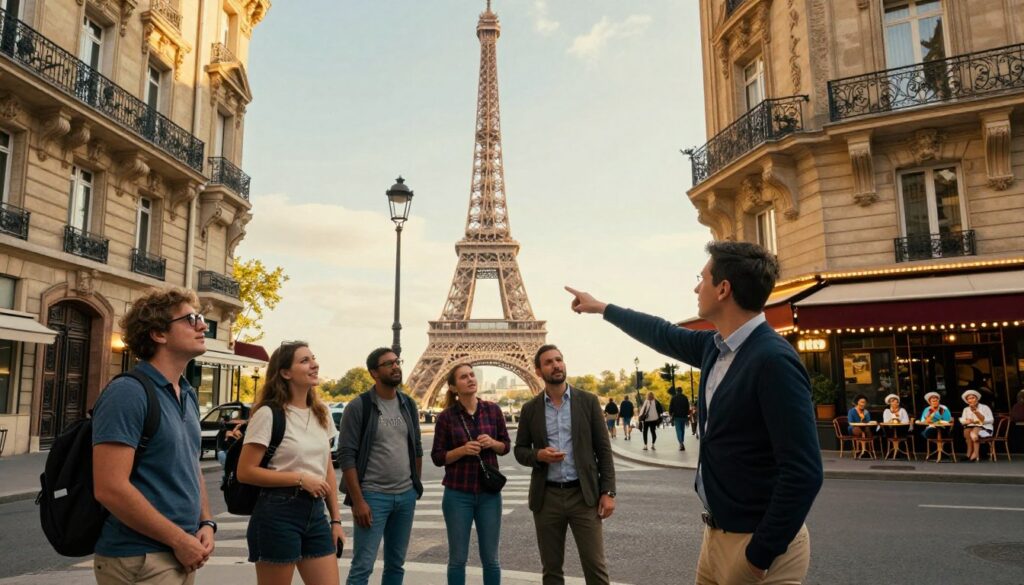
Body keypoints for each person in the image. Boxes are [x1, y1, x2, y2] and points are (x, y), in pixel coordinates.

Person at [566, 240, 824, 584]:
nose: (695, 287)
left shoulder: (773, 360)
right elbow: (661, 332)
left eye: (701, 278)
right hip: (716, 536)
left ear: (723, 289)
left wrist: (759, 555)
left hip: (756, 545)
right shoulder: (715, 349)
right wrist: (603, 308)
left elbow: (804, 472)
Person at [92, 288, 214, 584]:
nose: (203, 325)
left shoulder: (186, 392)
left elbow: (190, 464)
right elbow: (110, 488)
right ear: (159, 334)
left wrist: (206, 521)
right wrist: (178, 540)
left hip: (180, 551)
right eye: (191, 319)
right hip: (139, 557)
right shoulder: (129, 392)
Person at [236, 342, 343, 584]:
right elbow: (245, 471)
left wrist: (335, 519)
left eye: (313, 358)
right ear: (285, 372)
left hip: (315, 514)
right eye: (304, 360)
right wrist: (300, 478)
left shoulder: (322, 412)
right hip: (277, 512)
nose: (314, 364)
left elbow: (327, 469)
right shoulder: (268, 413)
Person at [514, 345, 616, 585]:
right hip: (547, 497)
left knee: (596, 569)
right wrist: (539, 455)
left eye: (559, 359)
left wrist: (608, 491)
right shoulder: (530, 409)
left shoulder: (588, 402)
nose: (556, 365)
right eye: (549, 362)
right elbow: (519, 450)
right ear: (538, 371)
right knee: (551, 571)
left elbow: (604, 450)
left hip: (584, 496)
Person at [339, 347, 424, 585]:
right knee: (362, 567)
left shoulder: (408, 404)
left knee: (396, 565)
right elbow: (347, 455)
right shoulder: (359, 406)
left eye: (397, 361)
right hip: (373, 497)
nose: (396, 366)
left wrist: (414, 485)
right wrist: (358, 500)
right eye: (388, 364)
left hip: (405, 496)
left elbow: (416, 446)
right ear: (374, 373)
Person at [431, 364, 511, 585]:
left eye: (472, 375)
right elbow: (437, 457)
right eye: (463, 377)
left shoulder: (493, 410)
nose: (470, 379)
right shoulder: (446, 417)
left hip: (489, 494)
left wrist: (493, 443)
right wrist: (462, 450)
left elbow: (506, 446)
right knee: (457, 559)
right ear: (454, 387)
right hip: (458, 494)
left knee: (491, 559)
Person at [960, 389, 995, 462]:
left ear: (977, 398)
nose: (971, 400)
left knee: (974, 432)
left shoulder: (985, 407)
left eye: (973, 398)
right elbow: (962, 421)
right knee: (966, 431)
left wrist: (978, 416)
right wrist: (967, 421)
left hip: (985, 430)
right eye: (969, 398)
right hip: (972, 429)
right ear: (967, 401)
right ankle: (968, 453)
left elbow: (991, 420)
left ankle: (975, 453)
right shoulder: (966, 409)